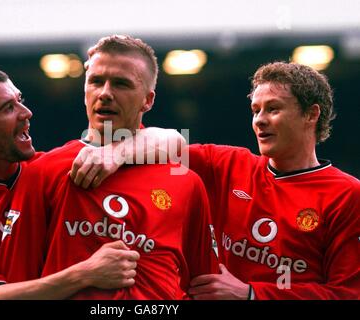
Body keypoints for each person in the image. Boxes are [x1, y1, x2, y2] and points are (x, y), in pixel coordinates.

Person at [77, 61, 360, 300]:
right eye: (255, 110)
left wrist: (251, 294)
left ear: (311, 114)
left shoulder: (347, 194)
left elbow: (347, 293)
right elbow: (171, 141)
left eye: (273, 109)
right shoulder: (228, 166)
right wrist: (118, 151)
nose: (259, 120)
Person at [0, 35, 218, 299]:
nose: (105, 93)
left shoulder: (185, 179)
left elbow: (204, 287)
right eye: (96, 82)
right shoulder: (42, 172)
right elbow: (17, 284)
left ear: (148, 100)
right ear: (85, 91)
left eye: (121, 84)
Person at [0, 68, 144, 299]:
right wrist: (85, 273)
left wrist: (120, 151)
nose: (26, 113)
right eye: (8, 108)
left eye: (20, 100)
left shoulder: (52, 169)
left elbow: (175, 143)